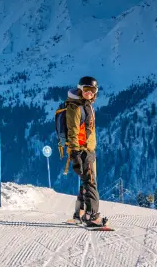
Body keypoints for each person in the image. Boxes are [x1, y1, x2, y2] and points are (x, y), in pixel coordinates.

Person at [66, 76, 105, 227]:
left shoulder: (86, 105)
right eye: (86, 89)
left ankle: (80, 214)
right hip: (82, 151)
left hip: (88, 150)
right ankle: (92, 216)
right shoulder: (76, 107)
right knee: (90, 183)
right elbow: (73, 132)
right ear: (80, 89)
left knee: (85, 182)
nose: (89, 92)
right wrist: (75, 154)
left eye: (92, 90)